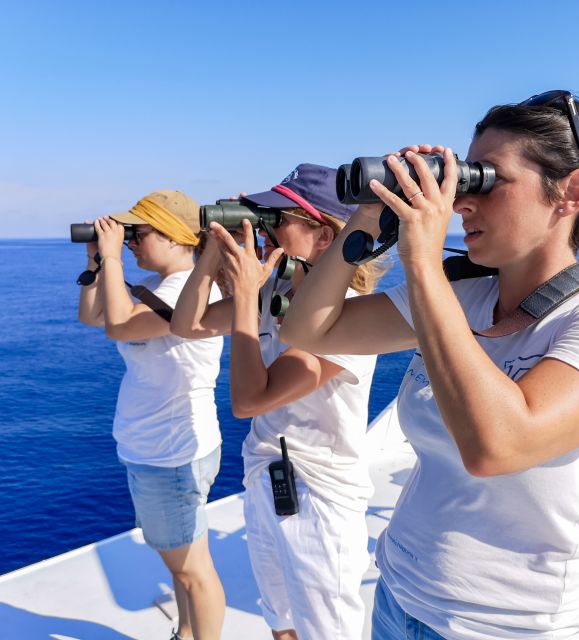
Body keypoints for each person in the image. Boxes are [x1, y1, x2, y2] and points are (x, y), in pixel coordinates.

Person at [281, 92, 579, 639]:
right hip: (399, 599)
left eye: (486, 180)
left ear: (570, 193)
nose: (462, 202)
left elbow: (498, 445)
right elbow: (306, 330)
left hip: (509, 627)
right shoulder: (462, 297)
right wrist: (369, 214)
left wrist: (422, 260)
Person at [171, 165, 385, 640]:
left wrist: (245, 296)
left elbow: (250, 400)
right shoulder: (276, 291)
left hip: (319, 497)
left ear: (324, 236)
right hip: (265, 479)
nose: (266, 228)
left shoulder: (350, 313)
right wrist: (214, 252)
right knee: (281, 624)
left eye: (278, 218)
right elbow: (186, 325)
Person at [77, 190, 225, 640]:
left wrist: (111, 258)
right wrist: (97, 261)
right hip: (157, 450)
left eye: (138, 235)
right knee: (182, 569)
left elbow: (118, 326)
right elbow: (93, 317)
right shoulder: (163, 288)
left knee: (194, 572)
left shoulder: (188, 290)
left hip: (172, 454)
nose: (130, 244)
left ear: (176, 236)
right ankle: (186, 632)